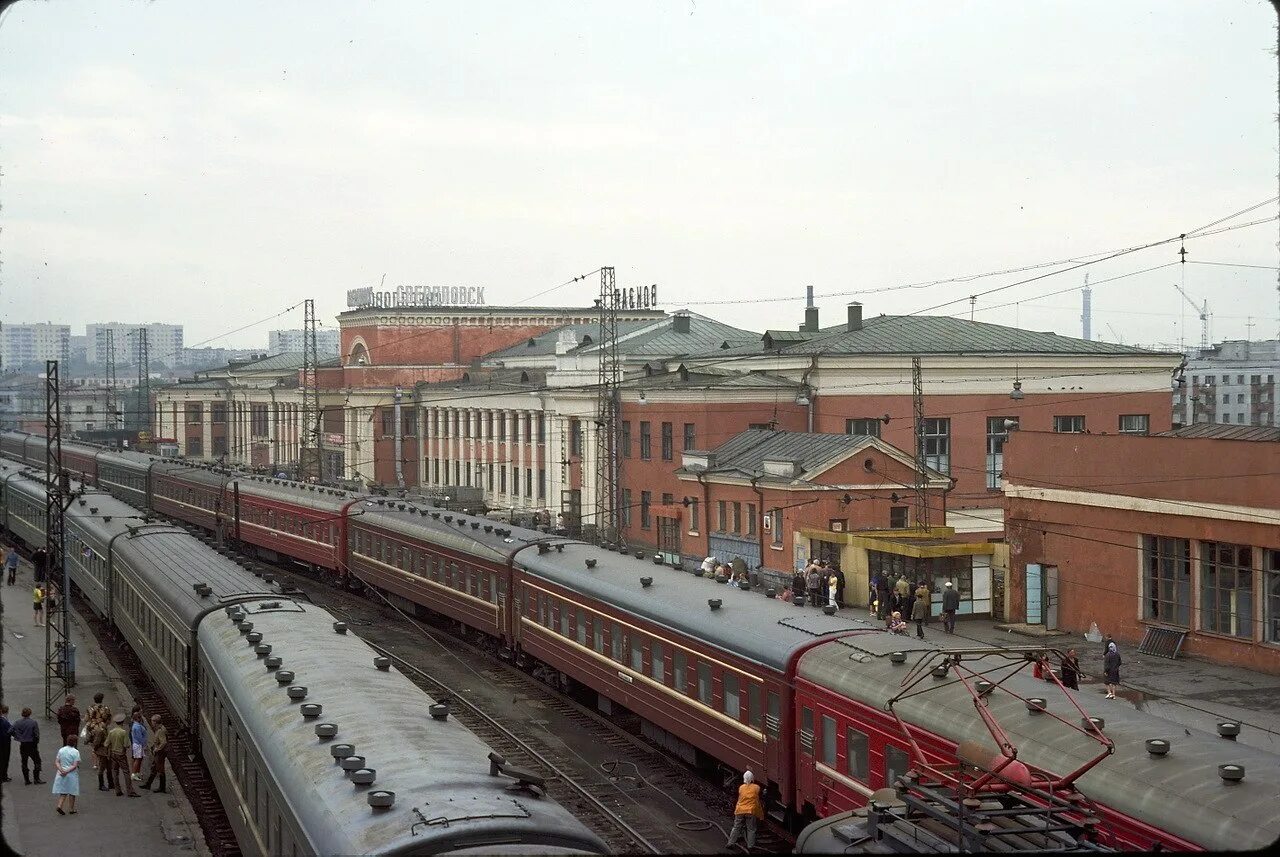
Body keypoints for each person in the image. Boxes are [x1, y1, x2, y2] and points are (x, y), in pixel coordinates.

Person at [724, 770, 765, 850]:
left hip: (740, 810)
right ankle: (750, 846)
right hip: (750, 811)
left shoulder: (741, 787)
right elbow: (760, 796)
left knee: (736, 827)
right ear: (752, 778)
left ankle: (730, 843)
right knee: (751, 829)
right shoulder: (757, 787)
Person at [105, 714, 138, 797]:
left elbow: (106, 743)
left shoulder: (111, 732)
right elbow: (127, 745)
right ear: (122, 722)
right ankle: (130, 791)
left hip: (113, 754)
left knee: (115, 772)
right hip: (121, 754)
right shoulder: (123, 732)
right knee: (126, 772)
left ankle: (118, 790)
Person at [13, 706, 43, 784]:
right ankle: (36, 779)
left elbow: (10, 730)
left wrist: (18, 737)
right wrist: (36, 743)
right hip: (32, 744)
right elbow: (36, 735)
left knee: (24, 762)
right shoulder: (33, 722)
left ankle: (27, 780)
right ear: (30, 713)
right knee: (37, 761)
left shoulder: (17, 722)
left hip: (23, 745)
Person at [52, 733, 81, 815]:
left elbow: (57, 762)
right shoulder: (76, 752)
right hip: (71, 774)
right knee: (72, 792)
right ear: (75, 742)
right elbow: (75, 765)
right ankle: (71, 809)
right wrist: (67, 771)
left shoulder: (61, 750)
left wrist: (61, 770)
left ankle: (59, 805)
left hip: (61, 773)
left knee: (63, 791)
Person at [141, 715, 168, 793]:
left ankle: (162, 788)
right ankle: (148, 784)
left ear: (155, 722)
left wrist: (157, 748)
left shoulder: (160, 731)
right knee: (154, 768)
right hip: (158, 753)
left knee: (160, 769)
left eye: (152, 721)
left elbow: (164, 742)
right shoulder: (160, 729)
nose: (151, 722)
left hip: (160, 753)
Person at [87, 715, 112, 792]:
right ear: (107, 720)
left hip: (105, 750)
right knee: (102, 768)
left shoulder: (104, 728)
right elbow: (97, 741)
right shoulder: (101, 730)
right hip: (102, 751)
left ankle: (110, 783)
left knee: (108, 766)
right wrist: (95, 749)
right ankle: (101, 785)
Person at [130, 710, 147, 779]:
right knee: (137, 759)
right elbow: (140, 737)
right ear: (137, 718)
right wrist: (144, 744)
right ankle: (134, 774)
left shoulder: (136, 725)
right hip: (138, 744)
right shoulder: (137, 727)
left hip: (138, 744)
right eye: (140, 717)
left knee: (139, 759)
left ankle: (137, 773)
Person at [0, 705, 12, 782]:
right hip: (5, 743)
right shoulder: (5, 722)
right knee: (4, 760)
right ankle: (4, 776)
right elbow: (10, 731)